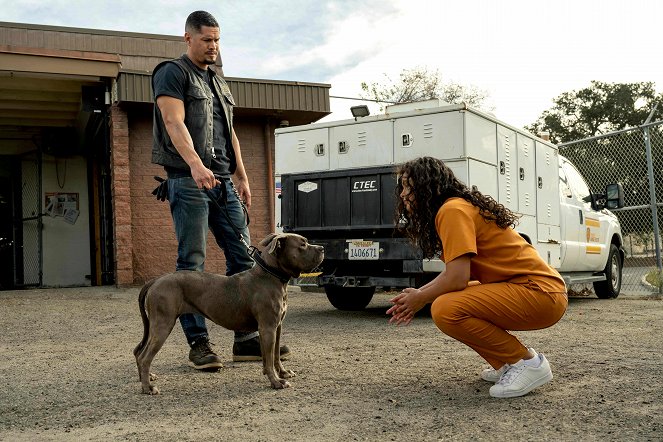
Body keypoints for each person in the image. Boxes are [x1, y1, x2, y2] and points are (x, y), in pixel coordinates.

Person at [151, 10, 289, 370]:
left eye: (217, 40)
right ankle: (199, 345)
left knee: (245, 257)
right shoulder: (173, 72)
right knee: (191, 263)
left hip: (224, 182)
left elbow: (231, 135)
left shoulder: (219, 83)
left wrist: (242, 177)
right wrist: (196, 165)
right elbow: (172, 120)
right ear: (188, 38)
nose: (213, 46)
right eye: (207, 40)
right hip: (187, 179)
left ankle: (246, 340)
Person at [387, 156, 567, 398]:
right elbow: (458, 276)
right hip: (537, 291)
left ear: (429, 187)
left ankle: (526, 363)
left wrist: (421, 297)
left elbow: (457, 278)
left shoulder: (451, 211)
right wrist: (419, 295)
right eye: (402, 187)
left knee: (445, 308)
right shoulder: (455, 208)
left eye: (409, 186)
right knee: (447, 301)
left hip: (541, 293)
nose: (402, 194)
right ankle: (506, 363)